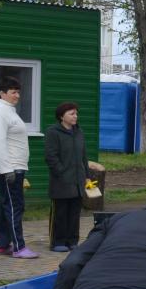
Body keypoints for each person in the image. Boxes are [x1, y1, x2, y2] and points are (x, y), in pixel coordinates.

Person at [0, 75, 38, 258]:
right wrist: (7, 170)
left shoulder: (10, 112)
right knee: (15, 206)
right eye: (13, 92)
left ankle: (2, 244)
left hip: (15, 167)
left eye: (18, 92)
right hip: (8, 169)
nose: (17, 96)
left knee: (5, 205)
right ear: (2, 93)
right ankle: (19, 247)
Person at [44, 101, 88, 252]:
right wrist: (61, 172)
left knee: (74, 213)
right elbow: (51, 156)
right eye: (72, 113)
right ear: (61, 116)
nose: (75, 116)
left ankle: (72, 241)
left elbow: (84, 156)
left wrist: (86, 175)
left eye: (76, 113)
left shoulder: (79, 132)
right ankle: (58, 242)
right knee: (60, 213)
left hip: (78, 181)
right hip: (61, 181)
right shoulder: (53, 132)